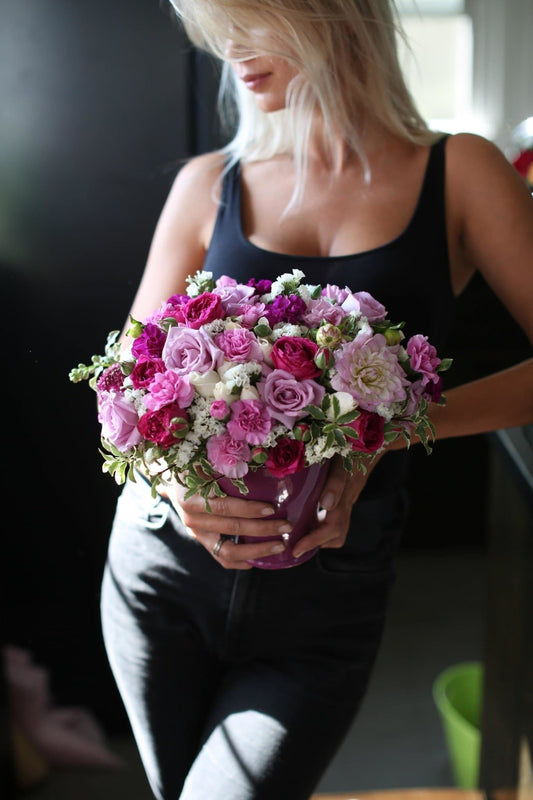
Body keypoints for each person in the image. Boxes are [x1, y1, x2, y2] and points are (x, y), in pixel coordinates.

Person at [100, 2, 533, 799]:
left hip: (324, 607)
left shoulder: (459, 171)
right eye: (210, 25)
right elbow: (120, 388)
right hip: (161, 570)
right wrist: (176, 490)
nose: (224, 48)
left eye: (243, 18)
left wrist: (386, 431)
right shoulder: (209, 183)